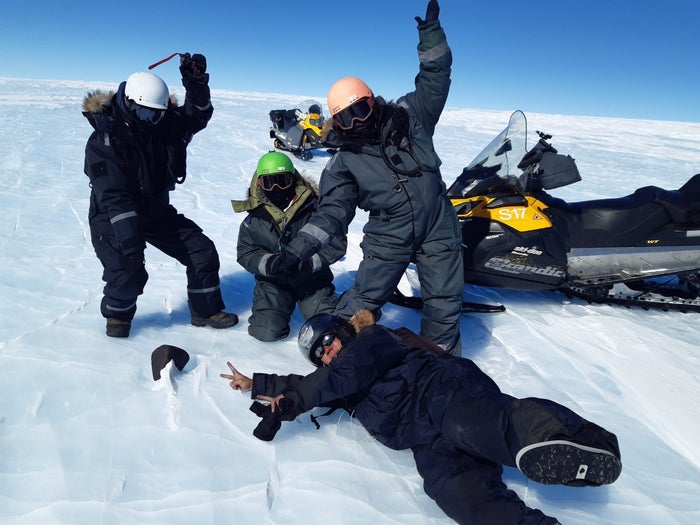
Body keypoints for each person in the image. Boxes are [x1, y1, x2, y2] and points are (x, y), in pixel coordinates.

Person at [220, 310, 622, 525]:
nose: (327, 352)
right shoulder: (339, 381)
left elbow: (323, 383)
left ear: (344, 331)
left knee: (483, 425)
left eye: (329, 341)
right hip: (425, 438)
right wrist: (256, 382)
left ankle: (579, 440)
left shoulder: (372, 342)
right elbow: (312, 382)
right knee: (457, 494)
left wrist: (290, 404)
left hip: (443, 394)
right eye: (319, 354)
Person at [268, 0, 465, 356]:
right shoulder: (344, 163)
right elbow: (331, 214)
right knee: (363, 300)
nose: (356, 123)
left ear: (372, 102)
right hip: (389, 235)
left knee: (444, 303)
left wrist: (430, 34)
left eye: (360, 110)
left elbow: (436, 77)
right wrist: (297, 250)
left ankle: (441, 370)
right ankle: (338, 356)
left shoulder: (410, 116)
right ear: (336, 123)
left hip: (438, 224)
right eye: (345, 118)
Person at [82, 54, 238, 337]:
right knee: (129, 272)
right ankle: (117, 319)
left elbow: (198, 114)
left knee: (201, 251)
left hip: (155, 210)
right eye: (143, 113)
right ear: (128, 103)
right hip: (113, 215)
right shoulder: (104, 140)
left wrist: (196, 83)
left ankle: (205, 312)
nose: (149, 120)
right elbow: (114, 195)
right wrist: (132, 247)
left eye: (156, 113)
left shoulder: (163, 124)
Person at [231, 151, 346, 341]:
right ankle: (279, 306)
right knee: (266, 333)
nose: (276, 188)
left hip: (312, 280)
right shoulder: (255, 218)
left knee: (328, 329)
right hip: (274, 282)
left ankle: (347, 302)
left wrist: (307, 264)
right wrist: (271, 264)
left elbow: (335, 244)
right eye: (269, 182)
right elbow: (245, 251)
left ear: (293, 179)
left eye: (282, 180)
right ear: (259, 183)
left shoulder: (315, 209)